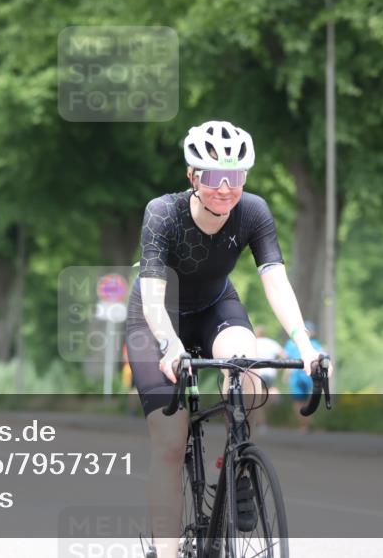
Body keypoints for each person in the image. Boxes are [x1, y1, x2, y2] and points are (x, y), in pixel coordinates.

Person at [124, 121, 329, 558]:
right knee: (170, 442)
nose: (225, 188)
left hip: (216, 306)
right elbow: (155, 298)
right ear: (193, 176)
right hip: (157, 317)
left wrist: (305, 344)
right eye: (214, 176)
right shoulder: (162, 213)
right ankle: (166, 549)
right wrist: (170, 344)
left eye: (234, 177)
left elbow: (276, 281)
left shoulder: (253, 211)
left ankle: (239, 463)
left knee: (248, 370)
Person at [284, 321, 326, 432]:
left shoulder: (290, 343)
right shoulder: (315, 343)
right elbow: (323, 356)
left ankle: (305, 424)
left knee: (298, 402)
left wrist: (286, 375)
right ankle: (307, 423)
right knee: (307, 399)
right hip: (309, 374)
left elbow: (288, 360)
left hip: (296, 375)